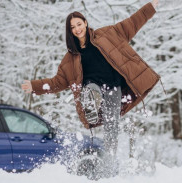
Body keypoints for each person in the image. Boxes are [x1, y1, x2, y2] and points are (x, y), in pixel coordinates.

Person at [21, 0, 160, 177]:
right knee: (90, 90)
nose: (77, 29)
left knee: (112, 128)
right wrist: (34, 86)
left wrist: (151, 7)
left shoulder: (108, 34)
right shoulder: (70, 58)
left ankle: (109, 171)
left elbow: (132, 23)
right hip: (92, 88)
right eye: (73, 27)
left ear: (85, 23)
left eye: (79, 24)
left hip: (113, 89)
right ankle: (91, 105)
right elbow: (57, 82)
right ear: (70, 31)